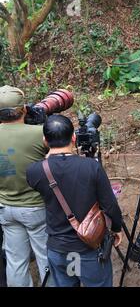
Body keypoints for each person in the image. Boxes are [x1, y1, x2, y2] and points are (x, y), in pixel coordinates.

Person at [26, 115, 123, 287]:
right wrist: (116, 228)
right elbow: (110, 205)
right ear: (73, 137)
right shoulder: (91, 167)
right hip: (90, 249)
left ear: (45, 141)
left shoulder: (34, 171)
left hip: (58, 249)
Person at [0, 85, 50, 287]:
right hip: (36, 207)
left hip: (5, 208)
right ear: (25, 109)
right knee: (46, 256)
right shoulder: (39, 134)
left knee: (15, 261)